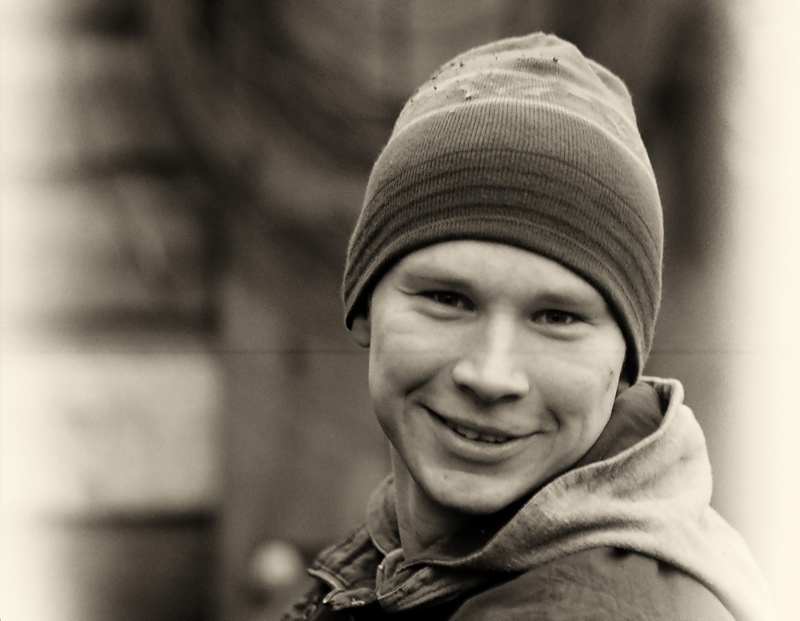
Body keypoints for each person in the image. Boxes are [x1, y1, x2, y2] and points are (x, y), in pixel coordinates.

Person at [281, 32, 774, 621]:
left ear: (623, 365)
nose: (492, 375)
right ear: (363, 305)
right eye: (447, 299)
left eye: (557, 318)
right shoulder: (412, 556)